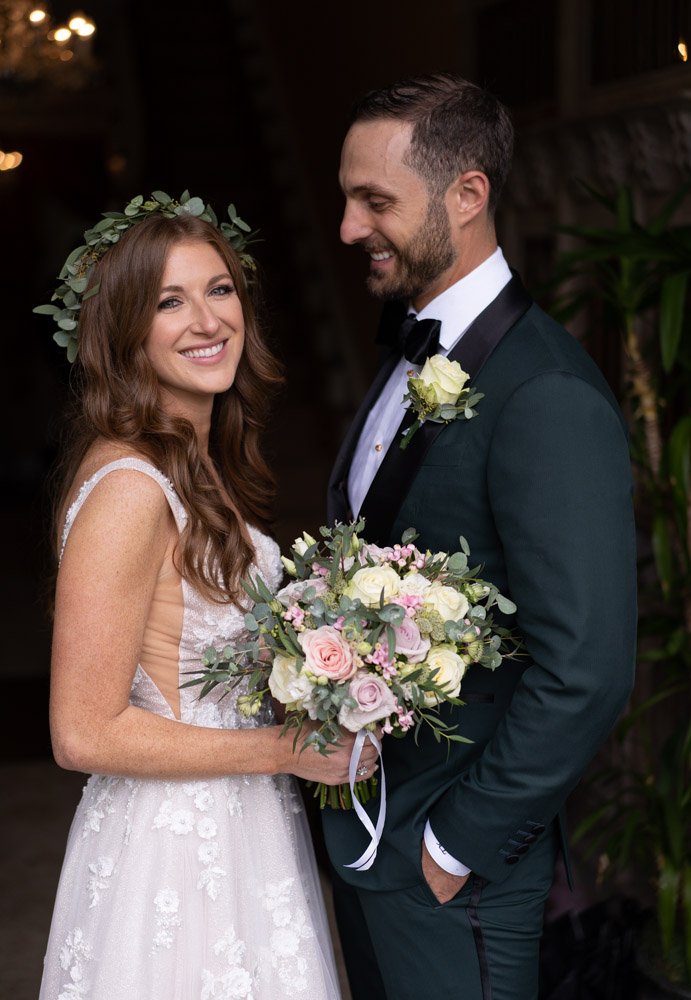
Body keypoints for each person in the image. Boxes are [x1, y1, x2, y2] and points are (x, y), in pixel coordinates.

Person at [325, 74, 638, 1000]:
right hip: (370, 842)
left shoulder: (546, 395)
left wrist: (450, 846)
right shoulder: (413, 345)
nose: (347, 229)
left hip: (451, 873)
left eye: (374, 201)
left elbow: (586, 669)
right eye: (346, 197)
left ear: (468, 194)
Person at [38, 198, 378, 999]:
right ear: (124, 333)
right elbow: (81, 732)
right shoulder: (130, 487)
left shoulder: (200, 467)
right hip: (174, 851)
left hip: (241, 827)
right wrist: (282, 751)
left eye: (218, 290)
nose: (205, 320)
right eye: (167, 301)